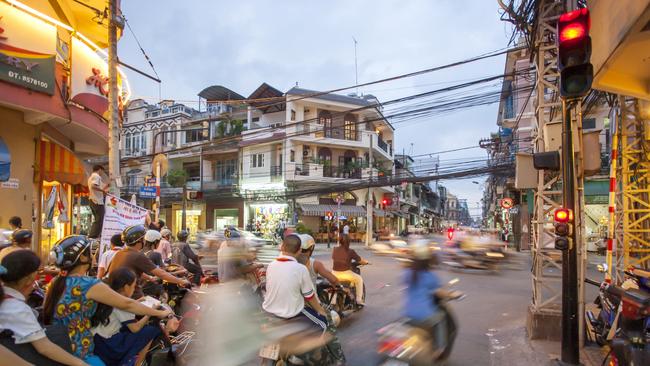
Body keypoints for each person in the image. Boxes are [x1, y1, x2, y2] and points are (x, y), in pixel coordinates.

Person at [43, 235, 173, 365]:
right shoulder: (88, 284)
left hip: (57, 347)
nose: (93, 256)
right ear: (82, 257)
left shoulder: (55, 282)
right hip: (80, 350)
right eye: (90, 253)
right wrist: (160, 313)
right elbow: (126, 303)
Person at [263, 234, 345, 364]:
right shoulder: (308, 266)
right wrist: (321, 311)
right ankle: (337, 359)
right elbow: (310, 297)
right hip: (298, 310)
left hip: (269, 312)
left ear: (283, 247)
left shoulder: (272, 265)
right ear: (303, 249)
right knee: (326, 324)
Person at [0, 251, 86, 365]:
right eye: (38, 273)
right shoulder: (17, 308)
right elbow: (45, 348)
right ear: (29, 279)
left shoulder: (6, 300)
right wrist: (81, 364)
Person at [92, 268, 176, 366]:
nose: (134, 288)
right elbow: (135, 328)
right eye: (133, 286)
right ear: (126, 287)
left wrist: (137, 301)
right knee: (151, 331)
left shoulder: (111, 295)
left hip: (98, 341)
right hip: (109, 345)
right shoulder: (123, 302)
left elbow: (120, 311)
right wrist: (150, 314)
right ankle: (138, 363)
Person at [108, 225, 191, 299]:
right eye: (143, 239)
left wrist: (150, 278)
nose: (145, 241)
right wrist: (182, 281)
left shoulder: (120, 253)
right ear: (139, 240)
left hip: (117, 296)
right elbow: (161, 273)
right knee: (168, 314)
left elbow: (132, 271)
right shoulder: (137, 256)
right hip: (133, 297)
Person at [402, 238, 445, 352]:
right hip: (425, 315)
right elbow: (441, 293)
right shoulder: (430, 276)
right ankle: (438, 350)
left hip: (408, 313)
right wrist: (452, 295)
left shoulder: (408, 273)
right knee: (440, 319)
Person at [331, 235, 368, 305]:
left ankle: (332, 301)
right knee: (359, 279)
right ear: (348, 242)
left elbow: (335, 258)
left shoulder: (334, 249)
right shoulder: (350, 251)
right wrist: (366, 262)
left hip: (334, 273)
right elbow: (360, 260)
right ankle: (359, 300)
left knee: (333, 286)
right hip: (345, 273)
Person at [88, 165, 108, 239]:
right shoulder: (96, 176)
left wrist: (106, 187)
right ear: (100, 170)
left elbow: (98, 187)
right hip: (97, 201)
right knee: (99, 219)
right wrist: (103, 191)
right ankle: (93, 236)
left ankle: (94, 236)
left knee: (97, 219)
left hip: (93, 200)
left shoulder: (91, 177)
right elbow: (93, 186)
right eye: (102, 171)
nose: (102, 173)